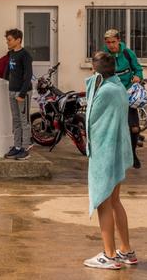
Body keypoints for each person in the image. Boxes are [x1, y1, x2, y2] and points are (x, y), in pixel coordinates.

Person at [84, 52, 136, 269]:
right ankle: (126, 250)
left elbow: (91, 119)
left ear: (96, 70)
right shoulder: (118, 88)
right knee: (115, 201)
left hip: (105, 152)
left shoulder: (105, 92)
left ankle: (109, 255)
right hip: (117, 151)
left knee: (103, 203)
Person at [103, 28, 144, 169]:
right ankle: (112, 156)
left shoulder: (127, 53)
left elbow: (138, 68)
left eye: (113, 42)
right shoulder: (104, 55)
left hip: (128, 93)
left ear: (119, 41)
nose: (111, 45)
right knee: (111, 128)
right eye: (108, 43)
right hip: (111, 94)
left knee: (133, 128)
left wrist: (138, 76)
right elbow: (98, 71)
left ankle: (132, 154)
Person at [3, 28, 33, 160]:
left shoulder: (25, 55)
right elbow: (8, 72)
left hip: (22, 93)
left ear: (18, 40)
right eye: (7, 40)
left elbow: (28, 76)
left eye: (9, 40)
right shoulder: (11, 54)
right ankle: (16, 146)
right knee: (15, 120)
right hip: (11, 91)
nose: (7, 42)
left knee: (24, 121)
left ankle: (25, 148)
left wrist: (22, 93)